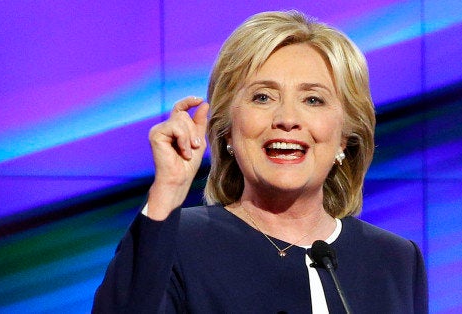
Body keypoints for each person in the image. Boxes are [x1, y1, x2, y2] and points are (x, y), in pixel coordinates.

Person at [93, 10, 427, 313]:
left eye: (313, 99)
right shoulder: (179, 241)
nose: (286, 118)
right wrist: (167, 191)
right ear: (226, 130)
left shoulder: (396, 260)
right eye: (262, 97)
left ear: (344, 135)